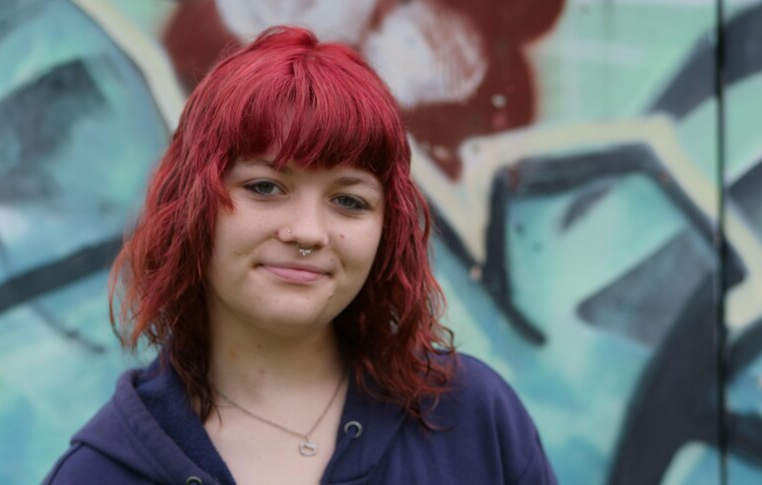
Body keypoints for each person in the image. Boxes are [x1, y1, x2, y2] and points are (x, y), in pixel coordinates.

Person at [44, 26, 556, 485]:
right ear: (192, 205)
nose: (308, 232)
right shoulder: (98, 473)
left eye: (349, 200)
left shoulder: (472, 419)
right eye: (266, 187)